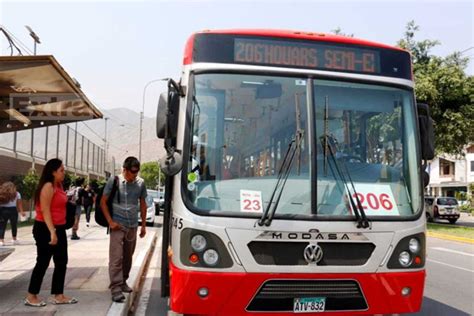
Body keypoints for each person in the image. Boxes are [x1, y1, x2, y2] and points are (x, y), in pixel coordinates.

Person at [25, 158, 78, 307]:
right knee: (43, 261)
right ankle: (31, 295)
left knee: (61, 261)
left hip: (58, 228)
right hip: (45, 228)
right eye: (61, 170)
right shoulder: (48, 186)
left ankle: (58, 295)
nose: (64, 172)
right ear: (53, 172)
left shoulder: (59, 185)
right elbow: (45, 210)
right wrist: (52, 232)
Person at [100, 156, 147, 302]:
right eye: (132, 172)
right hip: (117, 225)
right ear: (125, 169)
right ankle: (115, 288)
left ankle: (123, 281)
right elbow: (103, 202)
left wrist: (143, 225)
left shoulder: (140, 183)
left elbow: (143, 204)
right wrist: (110, 222)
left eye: (137, 172)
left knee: (128, 256)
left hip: (132, 225)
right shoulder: (114, 181)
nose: (135, 175)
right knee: (116, 258)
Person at [0, 181, 26, 246]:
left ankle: (1, 241)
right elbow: (19, 204)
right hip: (13, 210)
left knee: (2, 226)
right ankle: (14, 239)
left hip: (3, 210)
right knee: (14, 225)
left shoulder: (1, 193)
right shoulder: (17, 194)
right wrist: (22, 212)